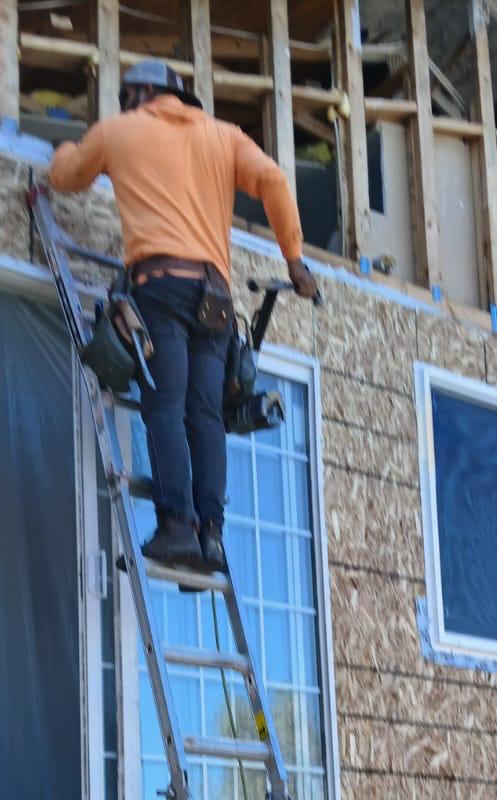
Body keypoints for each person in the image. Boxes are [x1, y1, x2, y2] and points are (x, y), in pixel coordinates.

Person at [49, 59, 319, 570]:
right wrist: (294, 259)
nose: (126, 105)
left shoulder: (119, 131)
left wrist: (62, 148)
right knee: (205, 415)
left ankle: (177, 526)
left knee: (165, 407)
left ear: (144, 92)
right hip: (214, 299)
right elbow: (275, 180)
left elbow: (65, 176)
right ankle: (211, 534)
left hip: (161, 288)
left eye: (129, 96)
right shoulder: (224, 136)